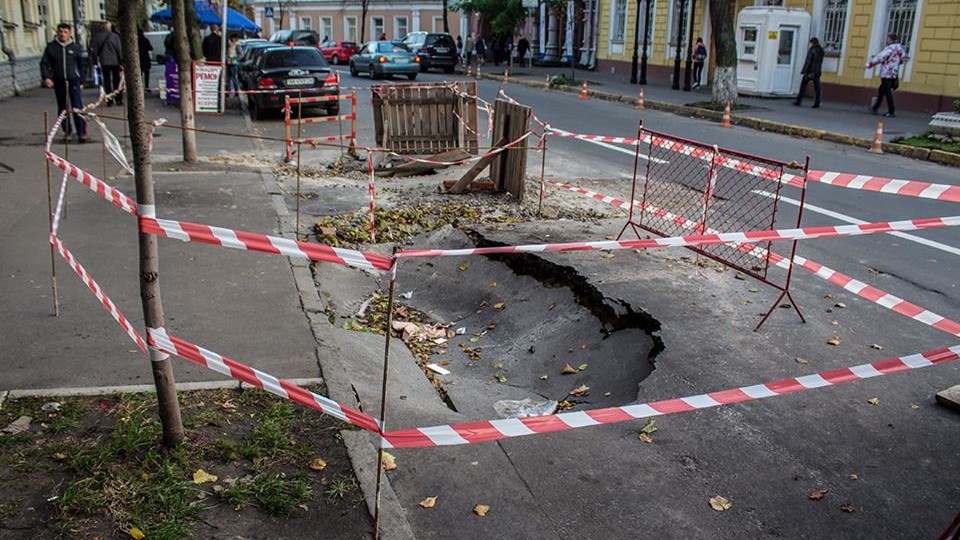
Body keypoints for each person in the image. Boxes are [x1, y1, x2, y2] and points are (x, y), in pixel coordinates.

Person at [41, 23, 87, 143]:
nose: (62, 34)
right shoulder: (51, 47)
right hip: (59, 81)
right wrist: (46, 77)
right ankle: (67, 131)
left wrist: (82, 80)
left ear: (69, 34)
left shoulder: (75, 47)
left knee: (77, 107)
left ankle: (81, 132)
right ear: (57, 32)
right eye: (60, 31)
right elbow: (44, 63)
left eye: (65, 32)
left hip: (74, 81)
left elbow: (82, 65)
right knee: (63, 108)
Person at [867, 33, 905, 118]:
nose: (886, 40)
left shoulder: (889, 48)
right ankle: (875, 108)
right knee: (881, 90)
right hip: (894, 73)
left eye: (887, 38)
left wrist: (869, 64)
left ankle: (891, 111)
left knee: (887, 92)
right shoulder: (900, 48)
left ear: (891, 39)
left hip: (886, 72)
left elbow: (880, 57)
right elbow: (902, 59)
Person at [92, 21, 123, 105]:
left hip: (104, 62)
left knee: (107, 81)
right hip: (115, 62)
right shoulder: (115, 36)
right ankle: (118, 99)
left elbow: (94, 51)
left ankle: (109, 100)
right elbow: (119, 50)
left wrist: (95, 61)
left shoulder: (97, 37)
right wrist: (122, 61)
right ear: (109, 28)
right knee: (117, 81)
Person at [793, 37, 823, 108]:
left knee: (803, 86)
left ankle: (798, 101)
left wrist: (804, 70)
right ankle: (817, 103)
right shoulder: (821, 50)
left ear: (812, 43)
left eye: (810, 43)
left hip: (809, 71)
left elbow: (808, 61)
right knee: (817, 88)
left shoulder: (812, 50)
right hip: (817, 72)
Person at [137, 28, 154, 93]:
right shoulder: (145, 40)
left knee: (139, 74)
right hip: (145, 58)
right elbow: (150, 48)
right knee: (147, 74)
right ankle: (147, 86)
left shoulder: (136, 41)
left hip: (139, 59)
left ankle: (139, 87)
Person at [226, 33, 241, 98]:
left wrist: (233, 58)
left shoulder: (237, 45)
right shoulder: (229, 44)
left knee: (234, 78)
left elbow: (240, 55)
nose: (230, 39)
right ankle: (227, 92)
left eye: (231, 38)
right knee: (228, 78)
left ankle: (237, 92)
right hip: (228, 63)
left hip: (234, 63)